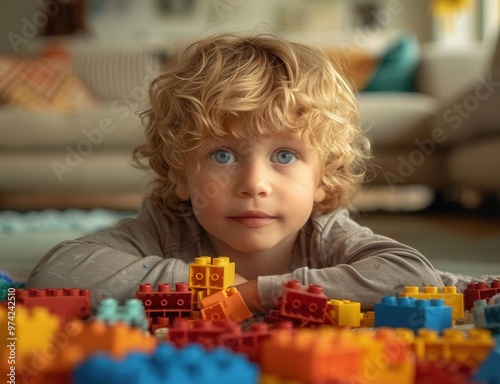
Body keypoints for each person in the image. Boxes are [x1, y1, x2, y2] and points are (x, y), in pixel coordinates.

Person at [27, 31, 443, 314]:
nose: (254, 185)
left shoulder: (326, 235)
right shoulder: (167, 230)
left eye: (284, 156)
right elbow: (57, 271)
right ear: (180, 175)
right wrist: (209, 288)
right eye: (223, 156)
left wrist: (260, 293)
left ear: (323, 179)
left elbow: (413, 275)